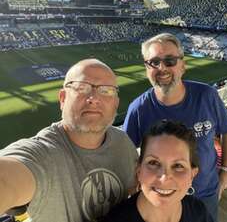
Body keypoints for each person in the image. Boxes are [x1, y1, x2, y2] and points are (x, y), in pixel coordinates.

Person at [0, 59, 138, 222]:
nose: (93, 98)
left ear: (116, 104)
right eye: (81, 88)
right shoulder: (42, 153)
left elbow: (133, 190)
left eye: (106, 91)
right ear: (63, 98)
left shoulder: (122, 142)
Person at [123, 33, 227, 221]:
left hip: (205, 193)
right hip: (161, 198)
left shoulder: (207, 96)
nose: (162, 68)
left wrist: (226, 171)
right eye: (154, 62)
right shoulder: (138, 109)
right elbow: (124, 154)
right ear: (146, 68)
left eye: (170, 61)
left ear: (182, 65)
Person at [104, 120, 214, 222]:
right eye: (153, 163)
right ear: (138, 170)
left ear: (192, 175)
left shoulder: (199, 212)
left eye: (178, 165)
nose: (164, 177)